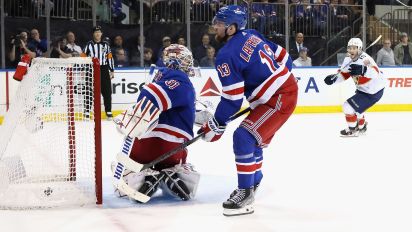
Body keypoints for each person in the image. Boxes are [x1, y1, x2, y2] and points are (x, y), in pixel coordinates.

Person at [199, 5, 298, 216]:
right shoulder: (252, 34)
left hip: (279, 98)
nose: (215, 27)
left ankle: (245, 193)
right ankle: (254, 179)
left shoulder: (226, 55)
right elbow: (283, 55)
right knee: (253, 140)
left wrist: (217, 125)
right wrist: (280, 77)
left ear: (232, 28)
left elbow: (233, 100)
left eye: (219, 24)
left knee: (243, 136)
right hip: (277, 94)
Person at [112, 44, 200, 202]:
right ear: (175, 62)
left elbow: (150, 93)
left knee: (121, 166)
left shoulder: (164, 77)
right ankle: (173, 173)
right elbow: (155, 94)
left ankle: (139, 180)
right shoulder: (181, 79)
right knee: (179, 162)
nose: (189, 65)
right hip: (174, 150)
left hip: (145, 147)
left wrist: (129, 120)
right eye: (185, 61)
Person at [324, 38, 386, 137]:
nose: (351, 50)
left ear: (359, 49)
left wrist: (363, 70)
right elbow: (344, 75)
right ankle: (362, 127)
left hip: (373, 91)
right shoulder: (347, 59)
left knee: (347, 107)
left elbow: (375, 73)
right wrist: (334, 79)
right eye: (350, 48)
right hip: (363, 89)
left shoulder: (366, 59)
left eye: (354, 48)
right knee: (356, 109)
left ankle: (352, 129)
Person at [83, 26, 115, 120]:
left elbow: (109, 57)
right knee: (89, 90)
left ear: (101, 34)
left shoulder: (106, 45)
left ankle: (108, 112)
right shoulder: (89, 44)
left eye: (99, 32)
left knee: (107, 91)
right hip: (91, 69)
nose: (97, 34)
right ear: (93, 34)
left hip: (104, 69)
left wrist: (112, 70)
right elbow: (83, 57)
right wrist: (82, 69)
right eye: (96, 32)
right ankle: (87, 112)